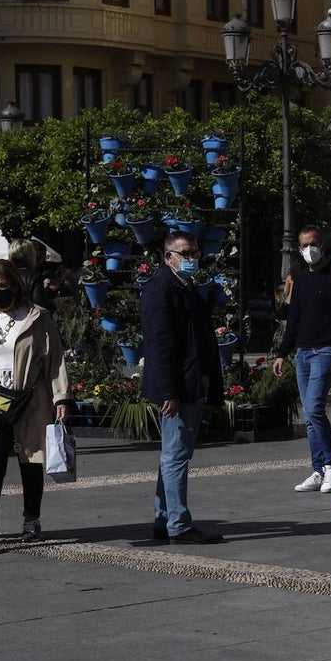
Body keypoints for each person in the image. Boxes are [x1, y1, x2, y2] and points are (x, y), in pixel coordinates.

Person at [0, 260, 71, 553]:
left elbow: (55, 360)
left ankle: (31, 520)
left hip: (31, 399)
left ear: (15, 284)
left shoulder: (38, 318)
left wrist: (61, 397)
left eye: (3, 285)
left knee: (30, 462)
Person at [140, 231, 224, 544]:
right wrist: (169, 392)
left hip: (190, 382)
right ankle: (178, 524)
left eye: (195, 253)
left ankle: (165, 518)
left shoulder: (183, 286)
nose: (192, 259)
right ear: (168, 256)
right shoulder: (161, 288)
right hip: (179, 387)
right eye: (185, 253)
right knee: (175, 455)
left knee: (173, 455)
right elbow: (160, 345)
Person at [274, 225, 331, 493]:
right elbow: (294, 318)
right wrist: (282, 353)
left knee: (314, 409)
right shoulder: (301, 278)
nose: (309, 249)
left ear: (322, 245)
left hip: (326, 350)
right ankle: (319, 470)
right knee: (309, 415)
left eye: (313, 243)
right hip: (303, 352)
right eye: (304, 245)